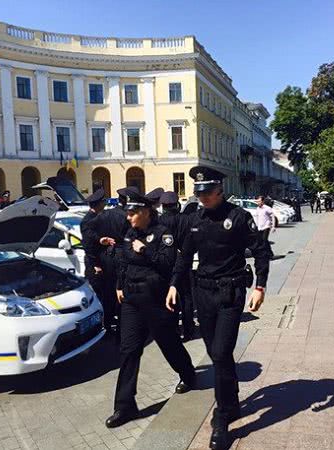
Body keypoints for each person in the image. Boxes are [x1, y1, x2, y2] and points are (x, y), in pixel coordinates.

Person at [166, 166, 271, 450]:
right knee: (216, 354)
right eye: (199, 193)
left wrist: (260, 286)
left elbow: (261, 251)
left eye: (207, 193)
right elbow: (184, 256)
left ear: (219, 190)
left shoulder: (238, 217)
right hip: (203, 292)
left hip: (230, 292)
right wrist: (175, 283)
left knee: (222, 353)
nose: (202, 198)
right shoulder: (194, 219)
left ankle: (222, 418)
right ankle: (233, 399)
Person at [106, 190, 195, 428]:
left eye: (133, 213)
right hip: (132, 300)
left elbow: (168, 264)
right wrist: (118, 285)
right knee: (129, 350)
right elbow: (122, 261)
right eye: (128, 213)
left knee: (169, 343)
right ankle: (124, 406)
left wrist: (144, 250)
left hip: (156, 300)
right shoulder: (129, 234)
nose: (128, 217)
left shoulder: (162, 234)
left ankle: (188, 374)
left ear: (145, 212)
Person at [159, 191, 195, 340]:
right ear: (177, 205)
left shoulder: (159, 221)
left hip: (165, 264)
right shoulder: (186, 220)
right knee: (186, 296)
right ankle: (188, 329)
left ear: (163, 206)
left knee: (168, 296)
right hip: (184, 262)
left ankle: (173, 329)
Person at [94, 188, 131, 334]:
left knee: (108, 291)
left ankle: (107, 324)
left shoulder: (106, 214)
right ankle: (123, 324)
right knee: (122, 290)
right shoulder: (127, 216)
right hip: (122, 254)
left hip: (107, 255)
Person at [81, 188, 107, 317]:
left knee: (104, 292)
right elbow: (88, 245)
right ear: (98, 204)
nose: (105, 204)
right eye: (103, 202)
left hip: (102, 260)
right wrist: (95, 264)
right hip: (94, 263)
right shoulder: (88, 221)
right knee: (97, 293)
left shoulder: (98, 217)